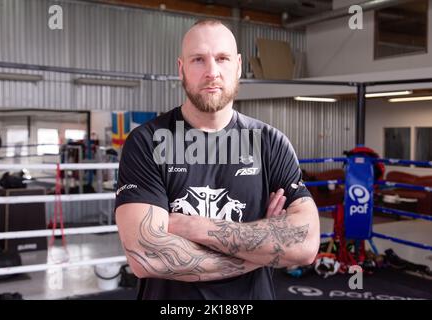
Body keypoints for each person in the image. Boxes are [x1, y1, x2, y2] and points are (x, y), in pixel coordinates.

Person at [115, 19, 320, 300]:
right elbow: (148, 257)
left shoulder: (270, 143)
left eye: (222, 59)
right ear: (181, 69)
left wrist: (191, 227)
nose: (212, 72)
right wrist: (262, 249)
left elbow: (305, 244)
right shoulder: (146, 142)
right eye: (198, 59)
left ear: (237, 66)